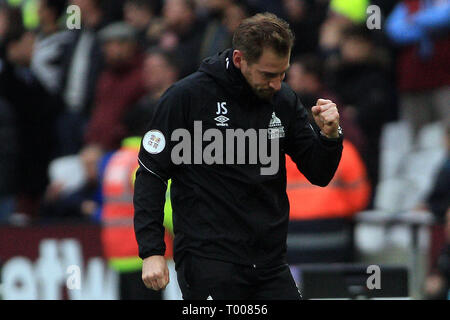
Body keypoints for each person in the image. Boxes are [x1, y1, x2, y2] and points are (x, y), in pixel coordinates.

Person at [134, 12, 343, 300]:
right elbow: (151, 175)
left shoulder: (283, 101)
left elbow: (319, 174)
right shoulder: (186, 98)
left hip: (270, 264)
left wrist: (330, 136)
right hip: (208, 262)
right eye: (268, 74)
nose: (276, 83)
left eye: (282, 73)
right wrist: (152, 251)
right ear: (239, 59)